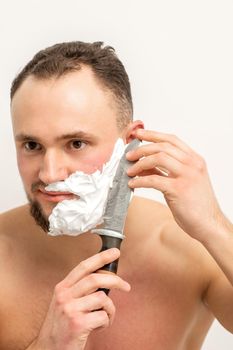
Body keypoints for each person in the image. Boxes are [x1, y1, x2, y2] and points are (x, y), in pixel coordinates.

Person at [1, 41, 233, 350]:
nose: (50, 174)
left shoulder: (192, 252)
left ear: (129, 142)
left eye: (76, 143)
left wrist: (215, 225)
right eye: (32, 145)